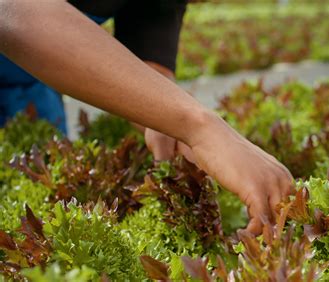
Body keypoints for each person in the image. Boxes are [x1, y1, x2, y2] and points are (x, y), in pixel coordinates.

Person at [0, 0, 294, 235]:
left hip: (26, 82)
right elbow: (15, 11)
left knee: (32, 192)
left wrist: (175, 132)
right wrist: (202, 127)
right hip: (25, 41)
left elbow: (151, 73)